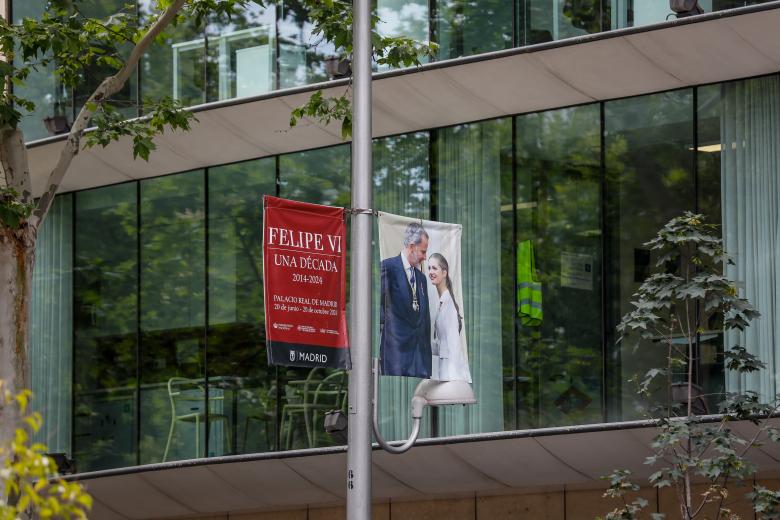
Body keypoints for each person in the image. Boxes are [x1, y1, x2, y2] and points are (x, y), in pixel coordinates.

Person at [380, 222, 432, 378]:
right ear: (412, 246)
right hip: (396, 357)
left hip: (419, 362)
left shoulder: (421, 279)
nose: (425, 257)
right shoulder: (387, 268)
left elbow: (424, 320)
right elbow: (378, 310)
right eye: (423, 251)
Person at [427, 253, 471, 383]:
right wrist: (421, 345)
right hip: (444, 372)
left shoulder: (448, 304)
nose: (430, 272)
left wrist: (455, 380)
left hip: (451, 375)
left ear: (444, 272)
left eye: (435, 268)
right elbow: (443, 344)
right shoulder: (442, 302)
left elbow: (454, 344)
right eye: (429, 268)